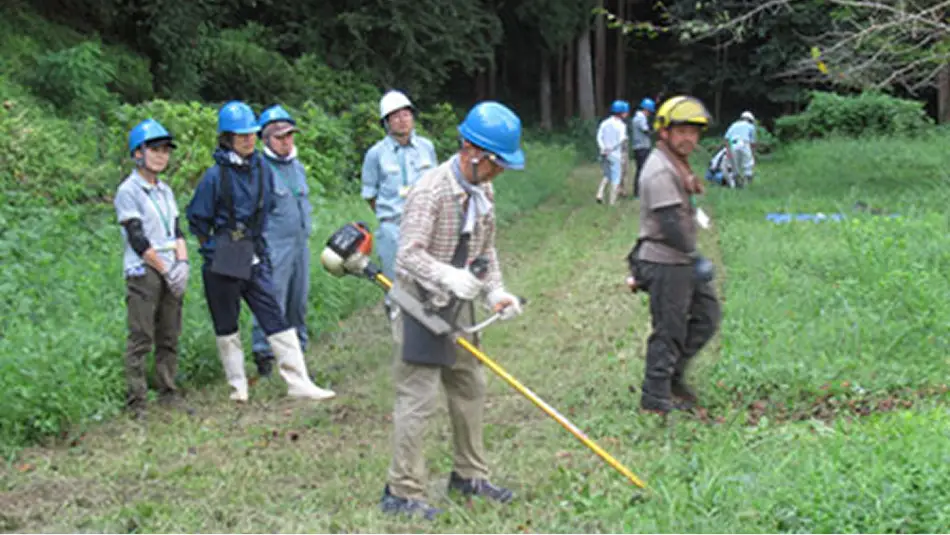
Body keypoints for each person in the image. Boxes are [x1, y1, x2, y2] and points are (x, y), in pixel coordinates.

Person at [379, 101, 526, 520]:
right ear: (470, 151)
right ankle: (402, 491)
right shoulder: (431, 191)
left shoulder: (484, 190)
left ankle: (469, 477)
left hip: (457, 305)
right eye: (496, 163)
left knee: (469, 386)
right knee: (418, 396)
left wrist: (496, 292)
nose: (499, 172)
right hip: (418, 303)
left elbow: (486, 249)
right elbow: (407, 256)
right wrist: (446, 275)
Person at [186, 100, 335, 403]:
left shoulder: (261, 169)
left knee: (273, 313)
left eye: (252, 134)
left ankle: (299, 381)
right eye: (241, 136)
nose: (248, 140)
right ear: (227, 138)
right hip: (227, 248)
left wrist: (254, 246)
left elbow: (265, 208)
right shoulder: (215, 176)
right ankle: (237, 386)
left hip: (254, 247)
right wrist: (215, 251)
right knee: (227, 320)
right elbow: (198, 219)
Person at [627, 95, 722, 414]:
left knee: (707, 317)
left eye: (694, 133)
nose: (689, 139)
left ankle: (673, 377)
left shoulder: (675, 163)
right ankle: (655, 398)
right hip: (665, 260)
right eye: (681, 131)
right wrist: (695, 258)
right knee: (669, 329)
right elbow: (670, 223)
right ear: (663, 131)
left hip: (679, 260)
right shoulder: (658, 171)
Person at [114, 119, 189, 419]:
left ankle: (168, 392)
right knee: (141, 337)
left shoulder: (166, 191)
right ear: (137, 153)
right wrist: (164, 269)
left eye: (165, 150)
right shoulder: (129, 191)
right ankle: (137, 402)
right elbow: (137, 237)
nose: (161, 155)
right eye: (154, 149)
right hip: (144, 271)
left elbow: (176, 230)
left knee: (169, 333)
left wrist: (182, 263)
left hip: (171, 265)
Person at [361, 90, 438, 326]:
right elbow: (370, 195)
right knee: (396, 285)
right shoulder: (375, 154)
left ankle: (430, 331)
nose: (402, 120)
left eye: (406, 114)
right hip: (393, 228)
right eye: (395, 116)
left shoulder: (426, 147)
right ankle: (399, 334)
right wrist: (393, 217)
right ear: (386, 122)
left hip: (425, 225)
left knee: (429, 281)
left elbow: (435, 184)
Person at [248, 105, 313, 378]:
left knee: (298, 300)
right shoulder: (259, 170)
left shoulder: (297, 167)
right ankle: (264, 356)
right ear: (265, 139)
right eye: (279, 137)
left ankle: (297, 354)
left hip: (300, 245)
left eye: (289, 135)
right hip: (274, 247)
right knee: (272, 301)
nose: (286, 141)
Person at [595, 100, 629, 205]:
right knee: (616, 177)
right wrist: (612, 148)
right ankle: (612, 202)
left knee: (607, 174)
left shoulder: (605, 123)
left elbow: (599, 136)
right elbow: (621, 139)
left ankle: (600, 193)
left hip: (603, 153)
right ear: (621, 112)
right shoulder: (621, 125)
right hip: (615, 154)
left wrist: (603, 148)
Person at [630, 97, 656, 198]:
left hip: (639, 146)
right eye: (650, 111)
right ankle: (639, 192)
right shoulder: (641, 118)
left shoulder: (638, 117)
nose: (650, 113)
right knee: (642, 169)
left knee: (641, 169)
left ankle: (639, 191)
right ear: (646, 109)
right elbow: (646, 131)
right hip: (642, 147)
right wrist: (655, 131)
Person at [723, 110, 757, 186]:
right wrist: (753, 155)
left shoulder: (733, 125)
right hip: (745, 143)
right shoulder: (751, 126)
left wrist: (728, 150)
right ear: (750, 120)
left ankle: (735, 183)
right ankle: (747, 183)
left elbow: (726, 139)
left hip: (733, 144)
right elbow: (753, 143)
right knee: (747, 164)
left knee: (734, 165)